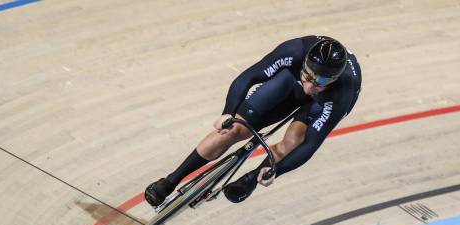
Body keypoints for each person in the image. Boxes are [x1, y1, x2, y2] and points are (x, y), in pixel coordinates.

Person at [144, 35, 362, 207]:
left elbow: (310, 145)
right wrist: (228, 113)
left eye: (320, 82)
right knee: (232, 130)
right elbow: (248, 77)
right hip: (290, 81)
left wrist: (277, 170)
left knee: (294, 140)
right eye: (309, 75)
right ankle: (171, 181)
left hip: (322, 103)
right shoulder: (294, 51)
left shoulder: (342, 93)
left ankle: (250, 179)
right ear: (304, 63)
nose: (310, 86)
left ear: (333, 80)